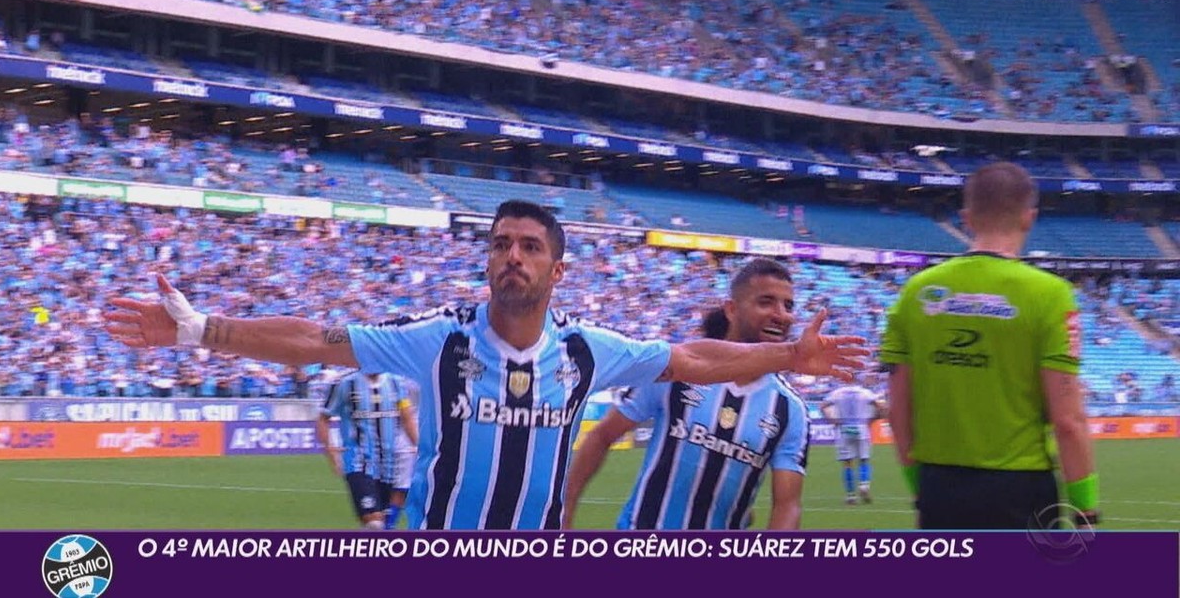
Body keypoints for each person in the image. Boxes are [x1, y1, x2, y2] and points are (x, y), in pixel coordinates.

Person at [106, 200, 868, 530]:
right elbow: (317, 339)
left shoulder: (584, 350)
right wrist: (203, 330)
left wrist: (788, 354)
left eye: (531, 246)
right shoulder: (439, 336)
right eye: (502, 243)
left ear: (557, 269)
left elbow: (689, 355)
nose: (513, 256)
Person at [880, 162, 1099, 530]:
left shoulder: (915, 292)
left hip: (940, 489)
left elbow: (898, 411)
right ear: (1029, 218)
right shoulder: (1051, 295)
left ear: (967, 217)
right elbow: (1068, 421)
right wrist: (1085, 508)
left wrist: (920, 487)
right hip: (1020, 490)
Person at [564, 259, 810, 530]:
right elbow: (602, 435)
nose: (781, 314)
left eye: (788, 306)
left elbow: (787, 504)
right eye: (766, 302)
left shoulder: (790, 410)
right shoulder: (677, 369)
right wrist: (564, 513)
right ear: (731, 309)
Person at [315, 369, 417, 529]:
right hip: (358, 462)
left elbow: (407, 417)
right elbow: (323, 418)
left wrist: (419, 447)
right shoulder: (343, 383)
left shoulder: (396, 382)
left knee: (378, 524)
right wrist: (331, 452)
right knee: (374, 522)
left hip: (388, 464)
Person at [819, 380, 885, 505]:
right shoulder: (865, 392)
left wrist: (831, 419)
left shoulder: (837, 393)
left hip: (844, 428)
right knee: (864, 459)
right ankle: (864, 485)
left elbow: (822, 406)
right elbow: (880, 406)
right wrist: (874, 418)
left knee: (847, 463)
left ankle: (850, 495)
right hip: (861, 427)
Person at [384, 372, 419, 529]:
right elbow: (405, 416)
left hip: (412, 438)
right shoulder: (401, 379)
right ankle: (386, 528)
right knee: (400, 490)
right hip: (405, 442)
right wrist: (418, 445)